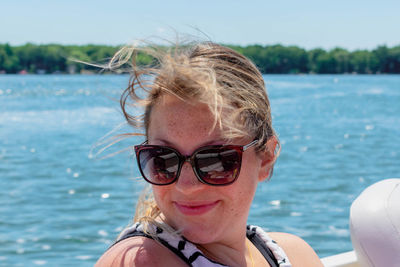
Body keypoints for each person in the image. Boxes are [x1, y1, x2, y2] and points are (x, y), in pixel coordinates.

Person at [95, 41, 323, 267]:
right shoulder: (139, 261)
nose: (186, 185)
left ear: (265, 159)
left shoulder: (294, 254)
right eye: (163, 160)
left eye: (215, 161)